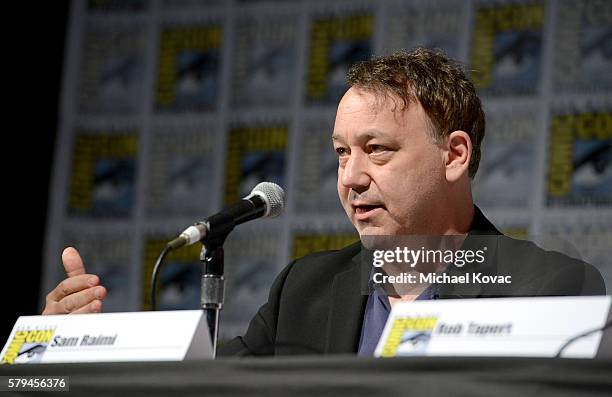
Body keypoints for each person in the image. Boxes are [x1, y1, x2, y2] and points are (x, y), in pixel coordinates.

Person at [42, 48, 605, 356]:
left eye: (377, 151)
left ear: (454, 155)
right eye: (340, 154)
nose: (351, 178)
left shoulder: (550, 289)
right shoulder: (304, 290)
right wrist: (67, 350)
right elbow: (204, 382)